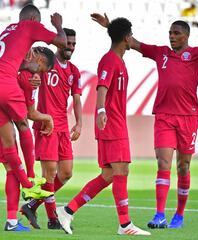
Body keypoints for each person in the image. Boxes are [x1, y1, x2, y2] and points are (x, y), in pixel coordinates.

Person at [91, 13, 198, 229]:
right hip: (164, 116)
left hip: (189, 117)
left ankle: (179, 215)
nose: (172, 37)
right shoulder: (161, 53)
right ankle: (159, 215)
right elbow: (132, 43)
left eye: (176, 33)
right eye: (170, 33)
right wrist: (111, 27)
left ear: (186, 36)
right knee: (163, 163)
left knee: (183, 166)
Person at [56, 18, 151, 236]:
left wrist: (110, 26)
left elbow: (125, 40)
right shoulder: (110, 60)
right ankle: (125, 224)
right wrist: (101, 111)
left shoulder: (117, 59)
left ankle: (67, 210)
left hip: (115, 123)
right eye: (130, 35)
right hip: (112, 124)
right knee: (121, 171)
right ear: (126, 37)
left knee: (108, 175)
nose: (132, 39)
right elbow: (102, 88)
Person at [0, 4, 67, 202]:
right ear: (34, 19)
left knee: (9, 141)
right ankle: (32, 179)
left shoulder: (9, 30)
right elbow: (61, 42)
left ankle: (26, 187)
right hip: (4, 84)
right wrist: (58, 26)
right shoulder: (29, 26)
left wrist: (26, 66)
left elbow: (3, 59)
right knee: (23, 125)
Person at [0, 47, 56, 232]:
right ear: (38, 59)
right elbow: (26, 118)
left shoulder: (6, 58)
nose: (39, 74)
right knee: (12, 168)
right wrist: (48, 118)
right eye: (41, 69)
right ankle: (13, 219)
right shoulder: (28, 78)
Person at [20, 28, 83, 230]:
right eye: (67, 43)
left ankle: (32, 204)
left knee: (65, 173)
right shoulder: (46, 63)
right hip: (46, 125)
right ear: (59, 43)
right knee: (49, 174)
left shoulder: (73, 71)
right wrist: (32, 78)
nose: (70, 47)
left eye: (73, 44)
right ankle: (53, 219)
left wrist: (79, 122)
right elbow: (29, 67)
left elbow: (76, 98)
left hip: (63, 126)